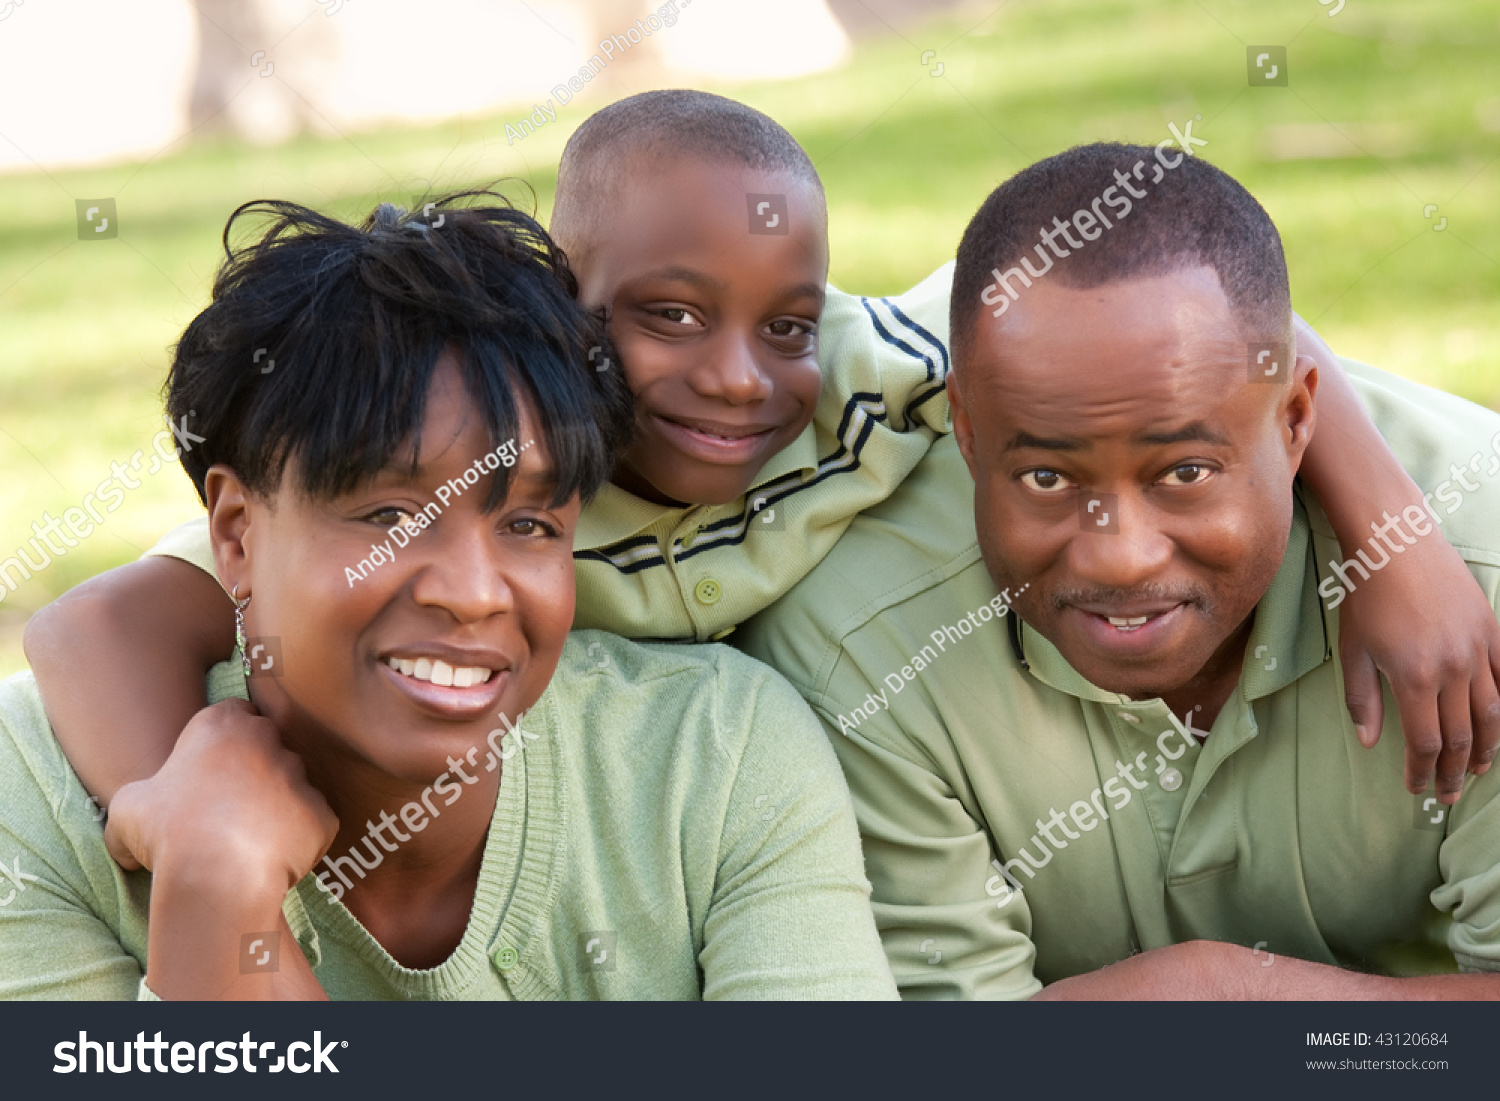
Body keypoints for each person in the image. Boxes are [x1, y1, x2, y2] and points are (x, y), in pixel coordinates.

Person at [23, 94, 1497, 819]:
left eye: (781, 322)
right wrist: (183, 797)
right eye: (664, 318)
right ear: (558, 302)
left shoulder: (870, 368)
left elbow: (1191, 305)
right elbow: (91, 622)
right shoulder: (502, 465)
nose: (737, 379)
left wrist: (1391, 541)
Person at [0, 195, 898, 1000]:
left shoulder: (719, 759)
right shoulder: (32, 797)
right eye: (390, 512)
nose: (473, 594)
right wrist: (214, 892)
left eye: (530, 525)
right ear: (236, 533)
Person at [736, 143, 1500, 999]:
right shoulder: (856, 645)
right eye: (1047, 478)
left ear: (1296, 424)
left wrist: (1237, 1001)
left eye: (1184, 474)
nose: (1119, 555)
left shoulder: (1481, 571)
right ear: (970, 432)